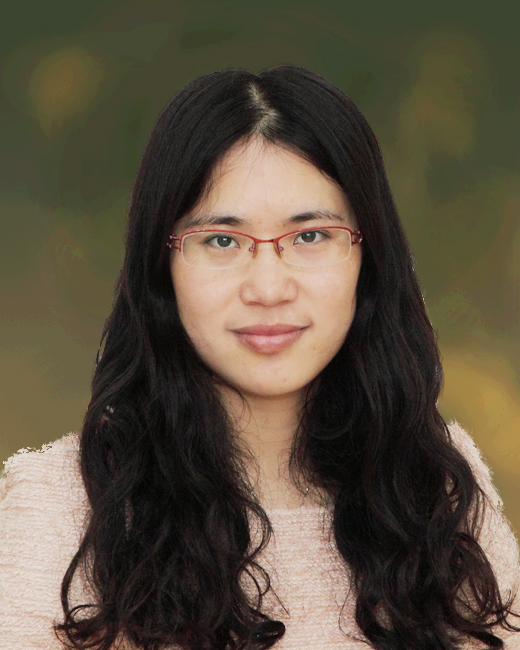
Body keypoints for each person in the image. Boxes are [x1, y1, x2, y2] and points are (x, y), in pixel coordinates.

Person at [0, 64, 519, 650]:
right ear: (161, 267)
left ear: (369, 258)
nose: (269, 289)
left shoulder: (436, 485)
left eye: (310, 236)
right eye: (221, 240)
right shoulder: (61, 506)